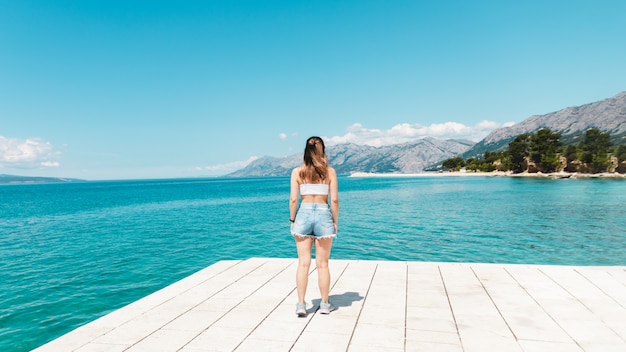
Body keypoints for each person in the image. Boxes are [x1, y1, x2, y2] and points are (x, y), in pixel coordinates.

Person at [290, 136, 339, 317]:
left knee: (303, 264)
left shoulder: (297, 172)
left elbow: (294, 199)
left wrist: (292, 220)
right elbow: (334, 200)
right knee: (323, 264)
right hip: (323, 214)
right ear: (322, 151)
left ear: (306, 151)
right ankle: (325, 305)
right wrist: (335, 221)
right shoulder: (329, 172)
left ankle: (301, 305)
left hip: (303, 213)